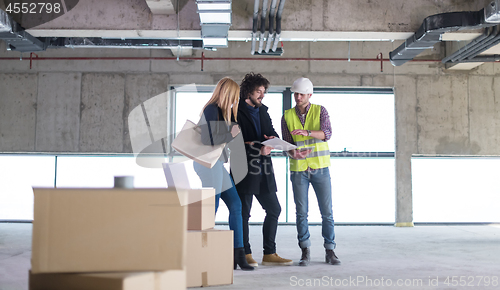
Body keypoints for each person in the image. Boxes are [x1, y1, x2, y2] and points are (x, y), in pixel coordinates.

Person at [231, 72, 292, 267]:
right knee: (244, 213)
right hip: (243, 167)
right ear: (248, 91)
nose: (262, 95)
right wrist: (259, 146)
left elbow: (271, 133)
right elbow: (233, 140)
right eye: (259, 91)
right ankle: (245, 252)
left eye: (263, 92)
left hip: (263, 167)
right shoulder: (235, 110)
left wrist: (273, 143)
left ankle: (269, 253)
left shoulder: (263, 110)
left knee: (274, 208)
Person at [193, 77, 254, 271]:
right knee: (213, 206)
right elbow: (207, 138)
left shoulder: (222, 112)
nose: (235, 101)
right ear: (227, 94)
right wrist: (231, 133)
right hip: (207, 164)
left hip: (216, 163)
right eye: (234, 97)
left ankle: (238, 254)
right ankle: (203, 252)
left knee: (236, 204)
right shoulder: (211, 109)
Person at [281, 77, 341, 266]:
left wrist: (307, 132)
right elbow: (286, 145)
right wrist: (293, 153)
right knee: (301, 213)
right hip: (299, 169)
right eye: (295, 94)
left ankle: (330, 251)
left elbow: (327, 133)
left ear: (309, 95)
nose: (297, 97)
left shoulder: (320, 111)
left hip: (320, 168)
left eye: (301, 94)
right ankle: (305, 251)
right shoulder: (287, 116)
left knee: (327, 212)